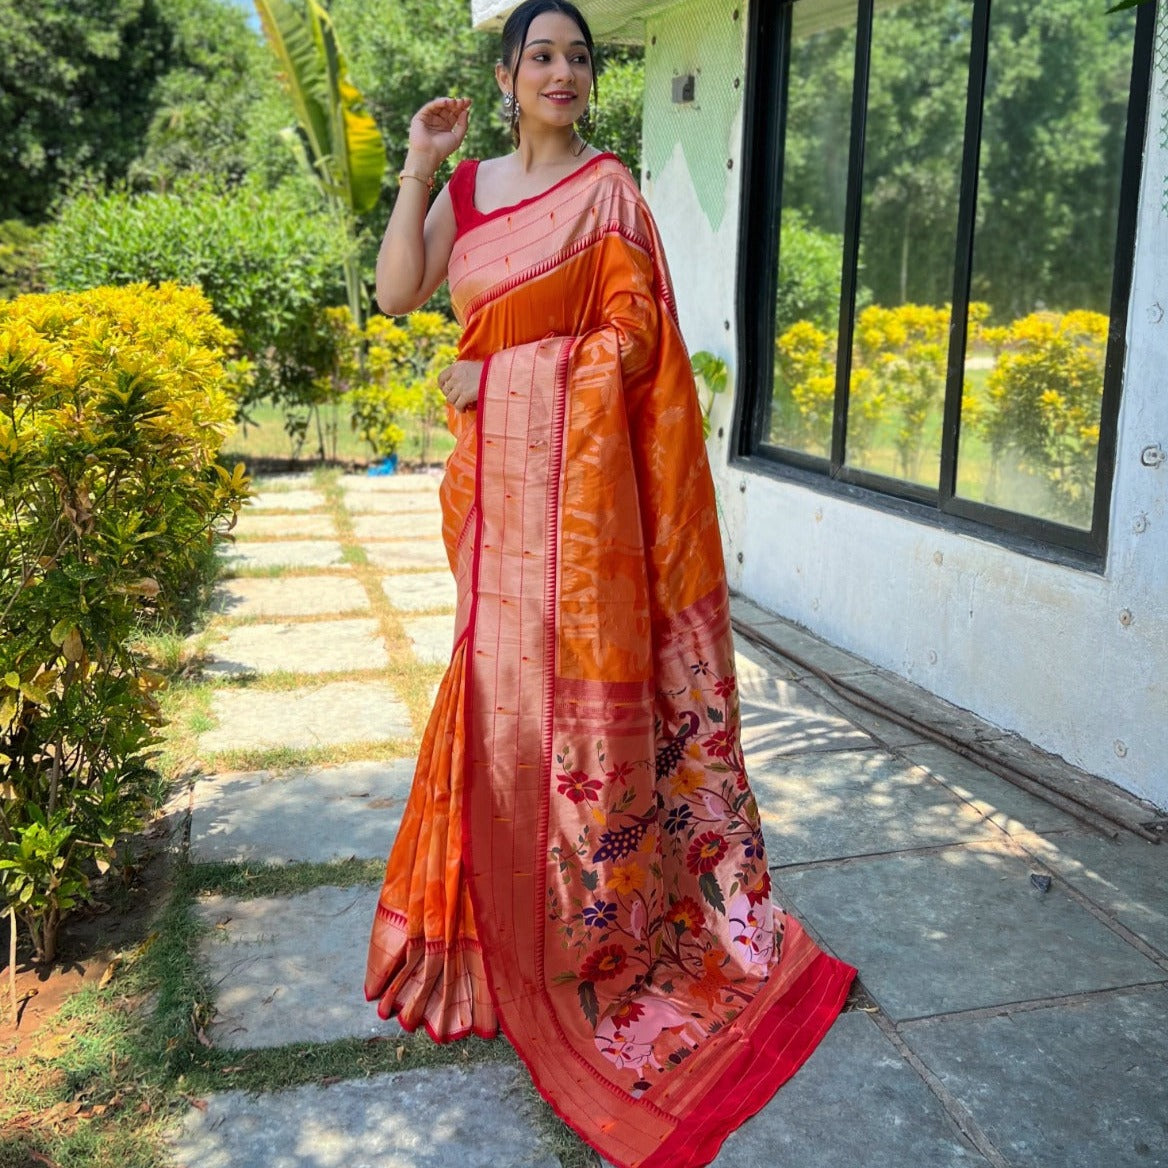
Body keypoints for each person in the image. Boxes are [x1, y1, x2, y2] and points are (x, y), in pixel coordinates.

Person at [365, 3, 855, 1165]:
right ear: (505, 77)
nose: (564, 71)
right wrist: (418, 168)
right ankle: (487, 935)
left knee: (574, 711)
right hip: (495, 508)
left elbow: (633, 348)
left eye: (579, 57)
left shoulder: (610, 194)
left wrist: (505, 378)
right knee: (497, 704)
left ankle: (589, 932)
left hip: (582, 516)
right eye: (542, 54)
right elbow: (397, 293)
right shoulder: (472, 189)